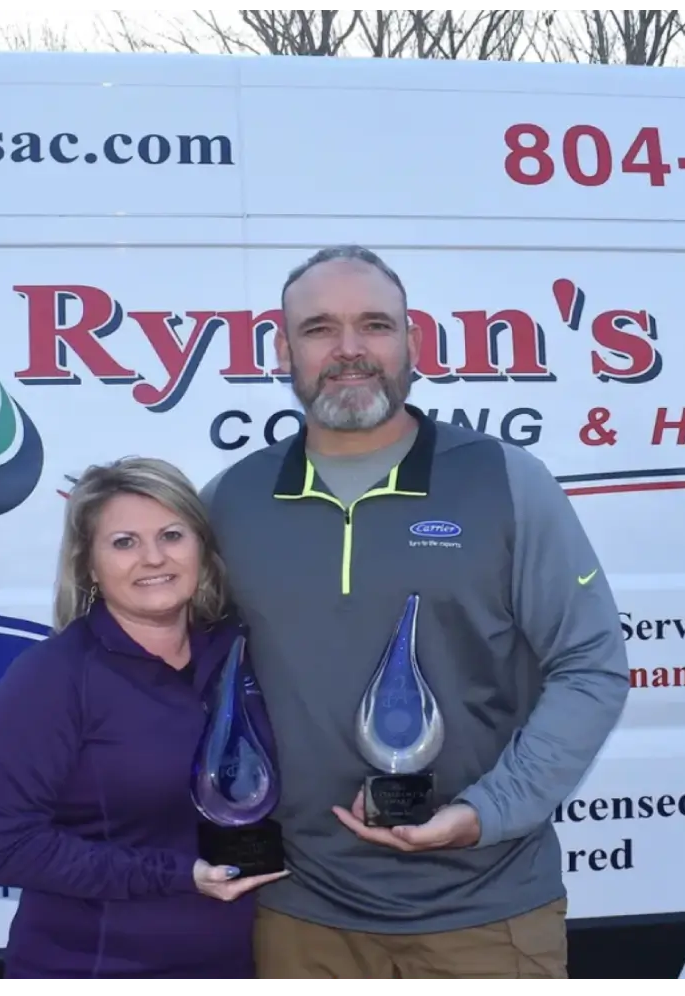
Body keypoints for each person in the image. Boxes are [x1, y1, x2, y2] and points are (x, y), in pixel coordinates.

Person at [199, 245, 632, 983]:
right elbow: (182, 687)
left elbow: (591, 667)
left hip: (486, 909)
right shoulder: (230, 502)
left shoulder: (505, 482)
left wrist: (485, 813)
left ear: (413, 343)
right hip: (298, 914)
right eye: (318, 329)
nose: (349, 351)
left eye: (374, 325)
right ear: (282, 351)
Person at [0, 456, 289, 984]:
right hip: (98, 968)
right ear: (89, 565)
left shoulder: (242, 653)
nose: (153, 558)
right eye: (124, 543)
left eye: (172, 535)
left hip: (240, 965)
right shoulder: (53, 678)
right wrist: (179, 876)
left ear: (203, 550)